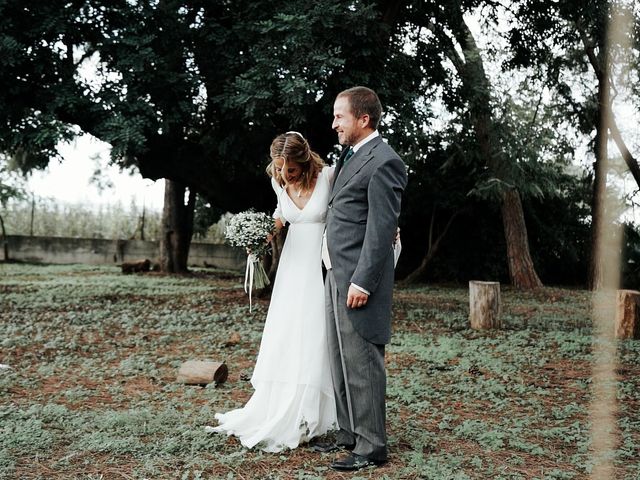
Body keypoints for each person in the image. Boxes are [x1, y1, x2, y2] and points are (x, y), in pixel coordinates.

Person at [210, 131, 338, 452]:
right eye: (279, 168)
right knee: (287, 332)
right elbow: (281, 216)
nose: (284, 175)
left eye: (290, 169)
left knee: (314, 333)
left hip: (320, 265)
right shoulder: (278, 182)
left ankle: (311, 413)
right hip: (292, 266)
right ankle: (281, 405)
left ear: (305, 160)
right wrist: (262, 237)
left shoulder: (329, 177)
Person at [321, 86, 407, 471]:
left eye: (340, 116)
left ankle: (372, 446)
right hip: (333, 271)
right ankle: (349, 435)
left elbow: (380, 230)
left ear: (363, 119)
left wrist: (362, 282)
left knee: (363, 360)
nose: (334, 123)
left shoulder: (385, 161)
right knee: (339, 359)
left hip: (357, 278)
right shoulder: (350, 155)